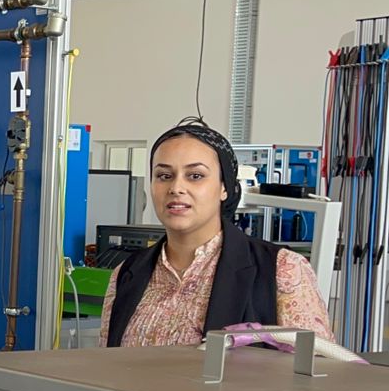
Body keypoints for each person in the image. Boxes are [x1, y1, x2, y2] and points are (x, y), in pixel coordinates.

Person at [100, 118, 334, 347]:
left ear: (224, 187)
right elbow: (106, 362)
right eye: (164, 176)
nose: (176, 188)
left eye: (195, 176)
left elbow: (318, 365)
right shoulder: (126, 274)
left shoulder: (282, 270)